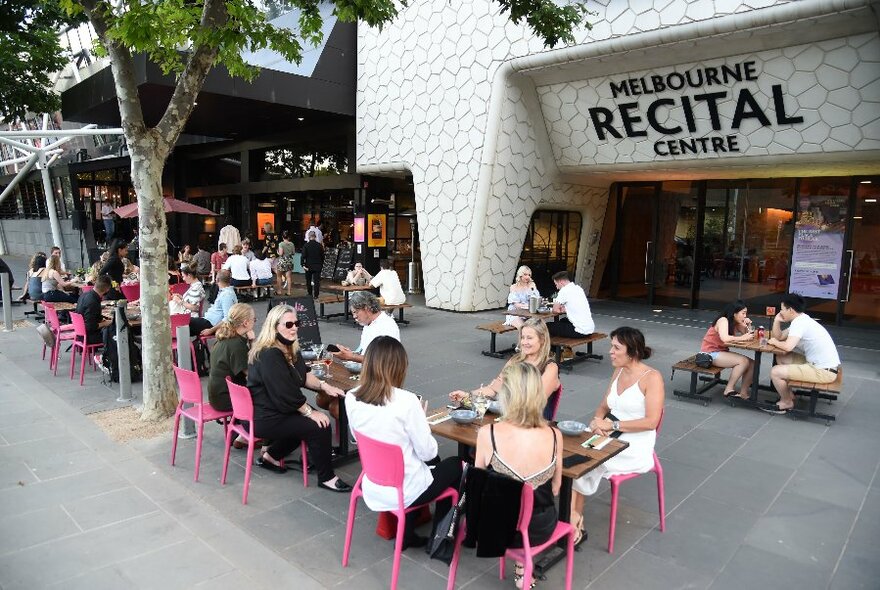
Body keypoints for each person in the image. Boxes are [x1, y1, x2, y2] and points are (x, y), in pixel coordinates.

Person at [345, 336, 462, 549]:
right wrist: (421, 422)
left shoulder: (351, 396)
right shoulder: (407, 401)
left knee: (421, 464)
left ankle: (406, 535)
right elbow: (428, 453)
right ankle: (439, 539)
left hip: (371, 483)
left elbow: (356, 437)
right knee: (456, 465)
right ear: (398, 367)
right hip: (403, 490)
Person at [570, 327, 664, 545]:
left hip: (635, 442)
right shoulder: (618, 371)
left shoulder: (652, 378)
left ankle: (575, 524)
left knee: (583, 465)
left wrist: (612, 424)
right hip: (610, 433)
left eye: (616, 348)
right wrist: (596, 422)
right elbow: (603, 406)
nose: (611, 352)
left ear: (632, 352)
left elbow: (652, 421)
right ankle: (572, 519)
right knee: (572, 455)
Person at [474, 362, 562, 588]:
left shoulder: (488, 433)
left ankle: (521, 562)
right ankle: (524, 564)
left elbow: (476, 489)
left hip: (498, 528)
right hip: (540, 527)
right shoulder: (555, 435)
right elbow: (555, 488)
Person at [247, 304, 351, 492]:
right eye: (288, 324)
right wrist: (310, 412)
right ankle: (326, 477)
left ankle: (271, 456)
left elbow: (304, 374)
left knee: (310, 420)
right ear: (274, 326)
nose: (294, 327)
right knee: (320, 424)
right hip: (265, 416)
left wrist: (324, 386)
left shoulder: (289, 347)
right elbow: (284, 394)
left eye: (297, 323)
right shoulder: (270, 353)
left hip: (278, 408)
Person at [450, 318, 560, 414]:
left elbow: (535, 403)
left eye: (529, 338)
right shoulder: (516, 360)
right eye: (522, 337)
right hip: (509, 412)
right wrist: (467, 396)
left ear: (542, 340)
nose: (524, 342)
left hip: (533, 420)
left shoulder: (550, 367)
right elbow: (494, 389)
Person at [324, 291, 400, 417]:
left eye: (355, 312)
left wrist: (350, 357)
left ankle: (361, 431)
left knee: (335, 407)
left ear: (366, 308)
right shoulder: (369, 324)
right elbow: (364, 351)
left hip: (382, 378)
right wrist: (350, 353)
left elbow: (381, 360)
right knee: (323, 397)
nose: (354, 316)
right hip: (367, 372)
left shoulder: (386, 326)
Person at [765, 293, 841, 413]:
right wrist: (776, 321)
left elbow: (787, 346)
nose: (781, 312)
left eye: (782, 309)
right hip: (825, 366)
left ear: (790, 310)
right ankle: (789, 395)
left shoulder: (800, 323)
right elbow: (779, 337)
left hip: (823, 371)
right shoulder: (802, 319)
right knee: (781, 357)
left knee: (775, 372)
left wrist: (773, 342)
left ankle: (786, 402)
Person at [700, 300, 756, 399]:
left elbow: (747, 334)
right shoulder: (723, 320)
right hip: (709, 354)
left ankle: (743, 393)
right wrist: (741, 338)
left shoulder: (735, 322)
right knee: (743, 361)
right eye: (743, 313)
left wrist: (747, 324)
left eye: (746, 313)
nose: (745, 315)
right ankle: (729, 389)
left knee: (752, 363)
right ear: (734, 313)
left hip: (721, 352)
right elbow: (725, 338)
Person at [207, 303, 256, 415]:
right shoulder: (236, 345)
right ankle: (246, 428)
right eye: (254, 319)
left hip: (217, 395)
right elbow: (252, 374)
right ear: (246, 323)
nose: (254, 322)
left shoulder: (225, 338)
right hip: (227, 399)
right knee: (269, 396)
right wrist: (253, 342)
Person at [189, 270, 237, 337]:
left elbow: (228, 319)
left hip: (211, 324)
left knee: (184, 323)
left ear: (217, 280)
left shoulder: (227, 295)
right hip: (209, 321)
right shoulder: (225, 292)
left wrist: (211, 330)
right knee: (183, 324)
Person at [547, 271, 595, 338]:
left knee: (546, 326)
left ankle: (553, 347)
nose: (557, 287)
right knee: (563, 321)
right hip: (589, 329)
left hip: (579, 331)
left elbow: (555, 310)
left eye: (556, 284)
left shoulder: (564, 290)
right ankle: (561, 348)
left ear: (561, 281)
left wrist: (560, 310)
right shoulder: (578, 288)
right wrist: (566, 309)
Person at [75, 275, 113, 345]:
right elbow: (90, 326)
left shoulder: (84, 295)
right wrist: (106, 323)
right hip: (89, 337)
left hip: (79, 333)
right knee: (115, 333)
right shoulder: (93, 302)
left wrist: (102, 319)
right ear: (107, 289)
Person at [301, 230, 324, 298]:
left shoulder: (306, 245)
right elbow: (323, 256)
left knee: (308, 280)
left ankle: (310, 293)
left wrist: (302, 264)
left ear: (308, 237)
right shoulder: (319, 245)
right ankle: (316, 295)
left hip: (308, 265)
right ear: (315, 237)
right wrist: (321, 264)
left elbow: (303, 256)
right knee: (316, 281)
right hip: (317, 265)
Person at [276, 230, 296, 295]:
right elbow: (293, 253)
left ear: (282, 237)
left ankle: (279, 291)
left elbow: (281, 253)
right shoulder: (292, 244)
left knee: (279, 276)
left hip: (282, 261)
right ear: (289, 237)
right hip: (289, 261)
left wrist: (277, 252)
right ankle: (289, 292)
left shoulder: (281, 244)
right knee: (289, 277)